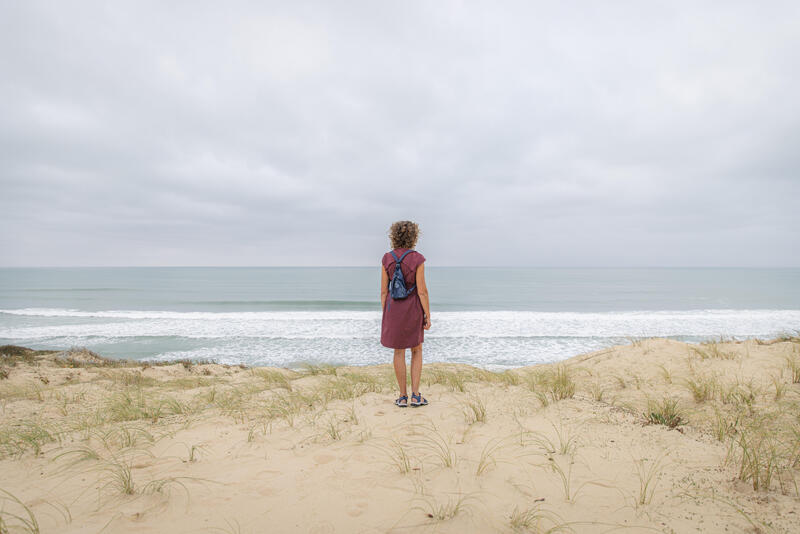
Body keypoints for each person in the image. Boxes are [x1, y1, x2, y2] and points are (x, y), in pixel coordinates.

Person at [380, 220, 431, 408]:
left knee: (398, 351)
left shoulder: (387, 258)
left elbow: (384, 291)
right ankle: (416, 395)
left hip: (394, 311)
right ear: (414, 237)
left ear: (393, 236)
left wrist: (386, 313)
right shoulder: (418, 259)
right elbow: (422, 291)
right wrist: (427, 315)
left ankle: (402, 396)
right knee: (416, 350)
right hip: (413, 310)